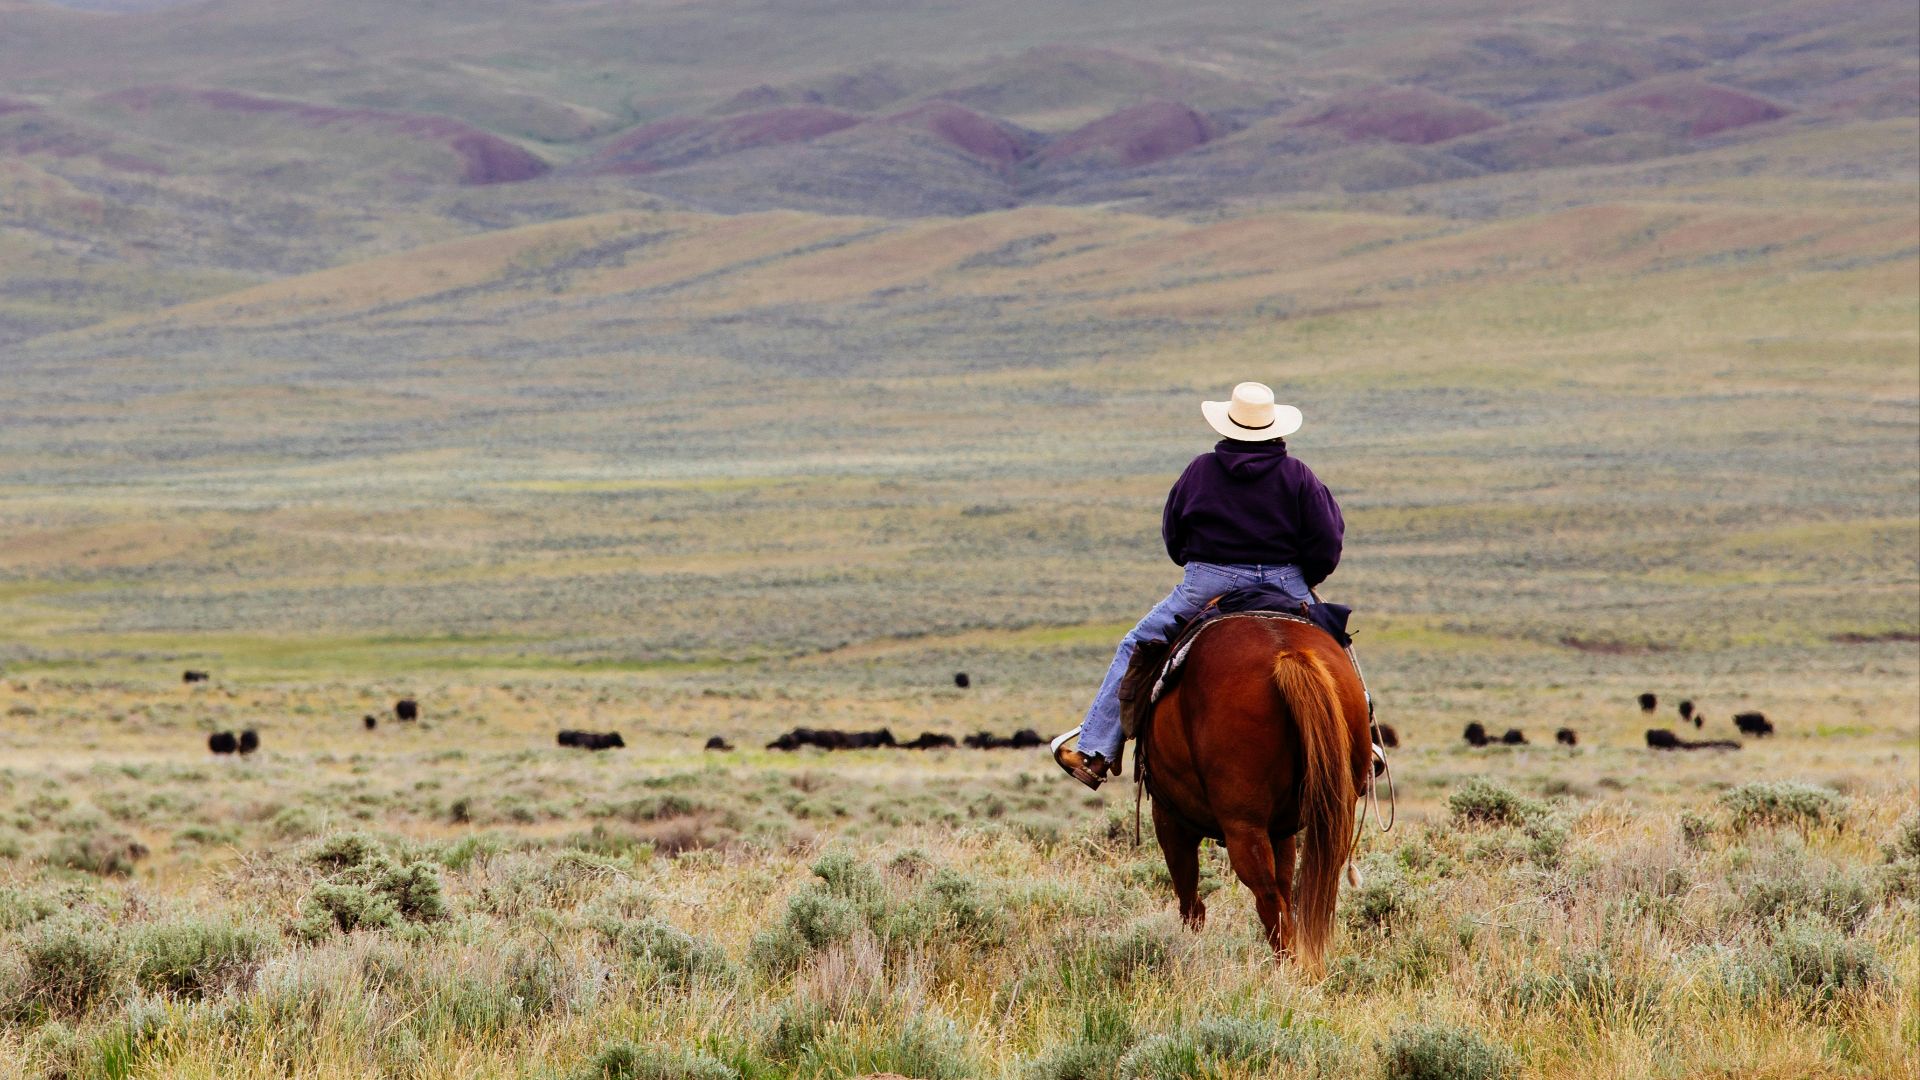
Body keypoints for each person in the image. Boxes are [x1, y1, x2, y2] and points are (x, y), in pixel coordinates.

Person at [1053, 382, 1345, 789]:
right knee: (1337, 646)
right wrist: (1303, 578)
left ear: (1228, 426)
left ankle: (1095, 751)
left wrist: (1202, 567)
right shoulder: (1300, 476)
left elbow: (1174, 534)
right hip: (1285, 581)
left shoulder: (1199, 471)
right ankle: (1360, 750)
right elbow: (1327, 540)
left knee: (1137, 644)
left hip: (1210, 580)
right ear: (1277, 430)